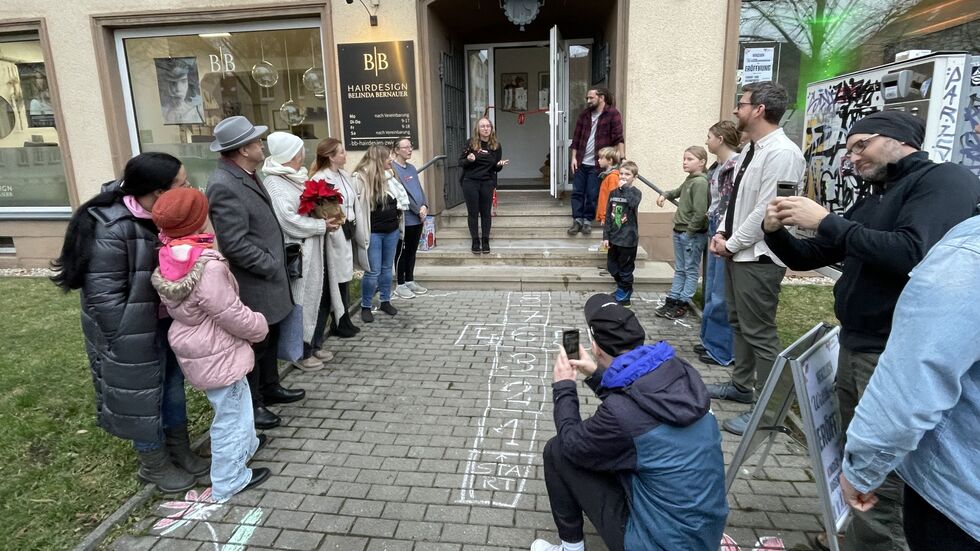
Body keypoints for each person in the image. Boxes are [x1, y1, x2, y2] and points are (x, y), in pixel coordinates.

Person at [763, 110, 980, 551]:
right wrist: (775, 233)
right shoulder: (876, 194)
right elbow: (813, 255)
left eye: (861, 145)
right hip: (856, 343)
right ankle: (854, 534)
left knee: (886, 477)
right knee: (856, 460)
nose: (852, 158)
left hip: (892, 354)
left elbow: (912, 252)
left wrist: (827, 220)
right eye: (848, 150)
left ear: (899, 139)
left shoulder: (944, 181)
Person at [50, 152, 209, 493]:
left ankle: (180, 449)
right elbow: (103, 295)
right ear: (155, 192)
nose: (188, 189)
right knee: (142, 397)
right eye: (181, 185)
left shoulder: (158, 215)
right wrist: (124, 337)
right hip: (130, 331)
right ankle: (152, 463)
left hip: (162, 322)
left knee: (171, 387)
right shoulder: (112, 225)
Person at [532, 293, 728, 551]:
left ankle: (570, 548)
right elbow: (639, 400)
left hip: (658, 544)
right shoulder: (677, 369)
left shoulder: (619, 417)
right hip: (703, 532)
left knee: (557, 450)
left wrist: (564, 386)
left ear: (596, 347)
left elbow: (573, 444)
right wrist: (595, 374)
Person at [839, 215, 980, 551]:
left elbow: (916, 376)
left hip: (958, 507)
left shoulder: (970, 253)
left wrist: (862, 469)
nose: (854, 157)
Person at [149, 187, 271, 502]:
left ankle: (246, 447)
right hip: (217, 347)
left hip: (201, 345)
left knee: (236, 404)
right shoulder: (207, 267)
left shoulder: (173, 254)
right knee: (230, 415)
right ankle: (230, 479)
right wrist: (258, 326)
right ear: (199, 220)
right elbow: (229, 312)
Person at [705, 81, 805, 436]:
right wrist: (722, 232)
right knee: (738, 323)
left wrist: (732, 244)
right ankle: (741, 386)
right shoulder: (753, 149)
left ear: (759, 109)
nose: (736, 109)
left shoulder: (782, 153)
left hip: (758, 257)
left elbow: (769, 210)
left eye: (742, 103)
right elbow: (737, 201)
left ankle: (770, 410)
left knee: (760, 333)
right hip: (737, 250)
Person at [206, 116, 305, 431]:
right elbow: (234, 243)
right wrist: (269, 263)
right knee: (256, 345)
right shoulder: (224, 183)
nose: (261, 145)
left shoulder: (246, 173)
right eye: (256, 141)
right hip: (255, 281)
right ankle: (255, 404)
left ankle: (271, 387)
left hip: (269, 279)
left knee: (271, 336)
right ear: (242, 149)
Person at [263, 131, 339, 372]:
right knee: (301, 301)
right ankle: (299, 351)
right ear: (290, 155)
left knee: (315, 296)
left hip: (313, 246)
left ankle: (313, 344)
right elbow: (287, 220)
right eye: (299, 151)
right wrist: (320, 225)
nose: (303, 155)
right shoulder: (274, 183)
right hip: (299, 252)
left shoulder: (298, 177)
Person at [309, 138, 369, 338]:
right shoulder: (320, 179)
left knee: (345, 275)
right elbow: (324, 210)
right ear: (330, 156)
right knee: (337, 277)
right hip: (335, 233)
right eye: (341, 152)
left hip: (348, 230)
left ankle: (343, 319)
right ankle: (339, 321)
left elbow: (353, 203)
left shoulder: (343, 175)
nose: (345, 155)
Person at [695, 121, 740, 366]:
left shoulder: (735, 166)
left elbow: (733, 204)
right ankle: (709, 341)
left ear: (721, 139)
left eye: (710, 136)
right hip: (714, 226)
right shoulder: (718, 166)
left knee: (721, 292)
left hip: (725, 231)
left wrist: (722, 229)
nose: (707, 141)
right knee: (711, 287)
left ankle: (723, 351)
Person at [353, 145, 409, 322]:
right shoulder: (361, 178)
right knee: (373, 271)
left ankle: (385, 300)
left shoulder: (390, 177)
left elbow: (399, 201)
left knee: (387, 269)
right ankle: (366, 306)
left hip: (391, 230)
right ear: (378, 160)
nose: (391, 160)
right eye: (387, 158)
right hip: (374, 233)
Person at [655, 146, 710, 320]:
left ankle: (683, 302)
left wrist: (690, 232)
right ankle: (673, 298)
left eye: (689, 159)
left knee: (690, 269)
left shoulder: (700, 182)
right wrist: (665, 194)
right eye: (684, 159)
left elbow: (700, 212)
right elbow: (676, 192)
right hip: (679, 230)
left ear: (701, 162)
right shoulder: (690, 179)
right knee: (680, 269)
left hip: (691, 233)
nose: (684, 162)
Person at [568, 87, 625, 236]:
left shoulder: (612, 114)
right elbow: (576, 138)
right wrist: (573, 158)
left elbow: (619, 138)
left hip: (598, 163)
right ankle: (577, 220)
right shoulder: (584, 115)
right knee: (577, 192)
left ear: (601, 97)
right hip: (581, 161)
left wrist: (622, 159)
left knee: (592, 193)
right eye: (587, 98)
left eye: (591, 98)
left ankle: (587, 221)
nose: (588, 101)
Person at [459, 117, 508, 254]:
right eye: (483, 126)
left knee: (486, 213)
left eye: (488, 126)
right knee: (473, 212)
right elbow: (460, 162)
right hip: (470, 182)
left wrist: (499, 166)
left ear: (491, 128)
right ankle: (475, 240)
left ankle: (485, 239)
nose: (486, 128)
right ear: (478, 129)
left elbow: (495, 168)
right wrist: (469, 160)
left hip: (487, 183)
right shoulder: (471, 143)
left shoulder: (496, 146)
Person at [391, 137, 430, 300]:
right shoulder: (393, 169)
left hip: (418, 218)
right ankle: (400, 284)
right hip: (405, 218)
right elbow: (403, 193)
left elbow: (419, 189)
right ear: (397, 150)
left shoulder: (412, 168)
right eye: (405, 147)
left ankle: (410, 280)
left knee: (413, 251)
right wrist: (417, 209)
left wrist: (425, 206)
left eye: (410, 147)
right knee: (402, 252)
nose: (409, 150)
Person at [602, 161, 642, 308]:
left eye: (627, 174)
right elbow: (608, 216)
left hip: (628, 239)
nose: (623, 177)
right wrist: (606, 236)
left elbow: (633, 203)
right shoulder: (613, 193)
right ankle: (622, 288)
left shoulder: (635, 193)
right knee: (612, 267)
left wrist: (624, 187)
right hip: (614, 238)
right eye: (622, 174)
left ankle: (625, 295)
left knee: (626, 269)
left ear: (634, 177)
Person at [155, 58, 204, 125]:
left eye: (183, 81)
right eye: (173, 83)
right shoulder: (160, 113)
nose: (178, 89)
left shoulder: (198, 110)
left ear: (189, 83)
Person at [594, 147, 622, 227]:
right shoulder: (608, 176)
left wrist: (605, 217)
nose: (598, 160)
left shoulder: (612, 177)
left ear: (610, 160)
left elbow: (614, 198)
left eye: (601, 158)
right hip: (608, 217)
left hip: (610, 218)